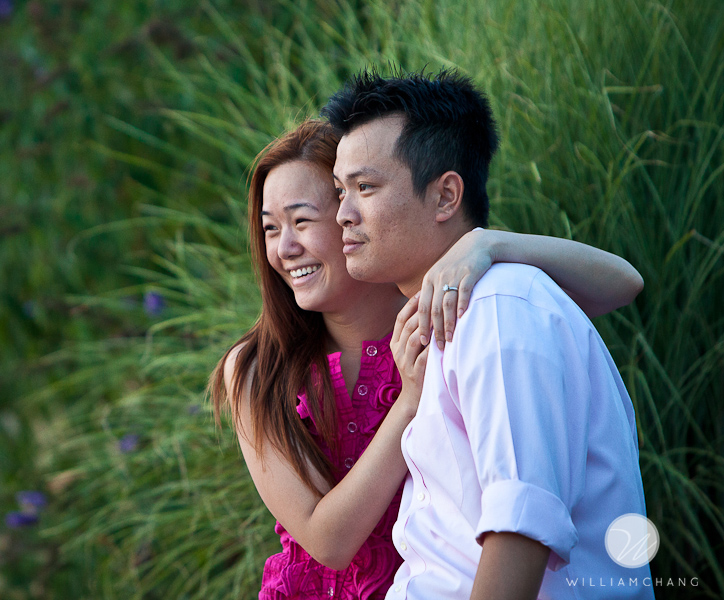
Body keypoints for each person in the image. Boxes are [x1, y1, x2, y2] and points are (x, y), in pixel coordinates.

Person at [209, 119, 644, 600]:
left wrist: (490, 242)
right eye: (271, 229)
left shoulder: (439, 306)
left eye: (303, 220)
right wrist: (408, 403)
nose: (285, 248)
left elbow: (623, 284)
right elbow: (327, 541)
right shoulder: (257, 368)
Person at [323, 68, 653, 599]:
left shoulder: (500, 308)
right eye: (340, 191)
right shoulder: (446, 318)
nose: (341, 214)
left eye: (364, 187)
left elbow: (520, 527)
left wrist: (489, 244)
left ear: (446, 195)